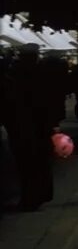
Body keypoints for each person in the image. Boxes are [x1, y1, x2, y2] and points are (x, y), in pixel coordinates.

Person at [2, 43, 59, 211]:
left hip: (21, 126)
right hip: (40, 126)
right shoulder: (42, 74)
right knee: (40, 161)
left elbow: (9, 101)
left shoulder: (14, 74)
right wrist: (52, 124)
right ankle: (42, 194)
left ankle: (30, 198)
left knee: (26, 164)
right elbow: (50, 100)